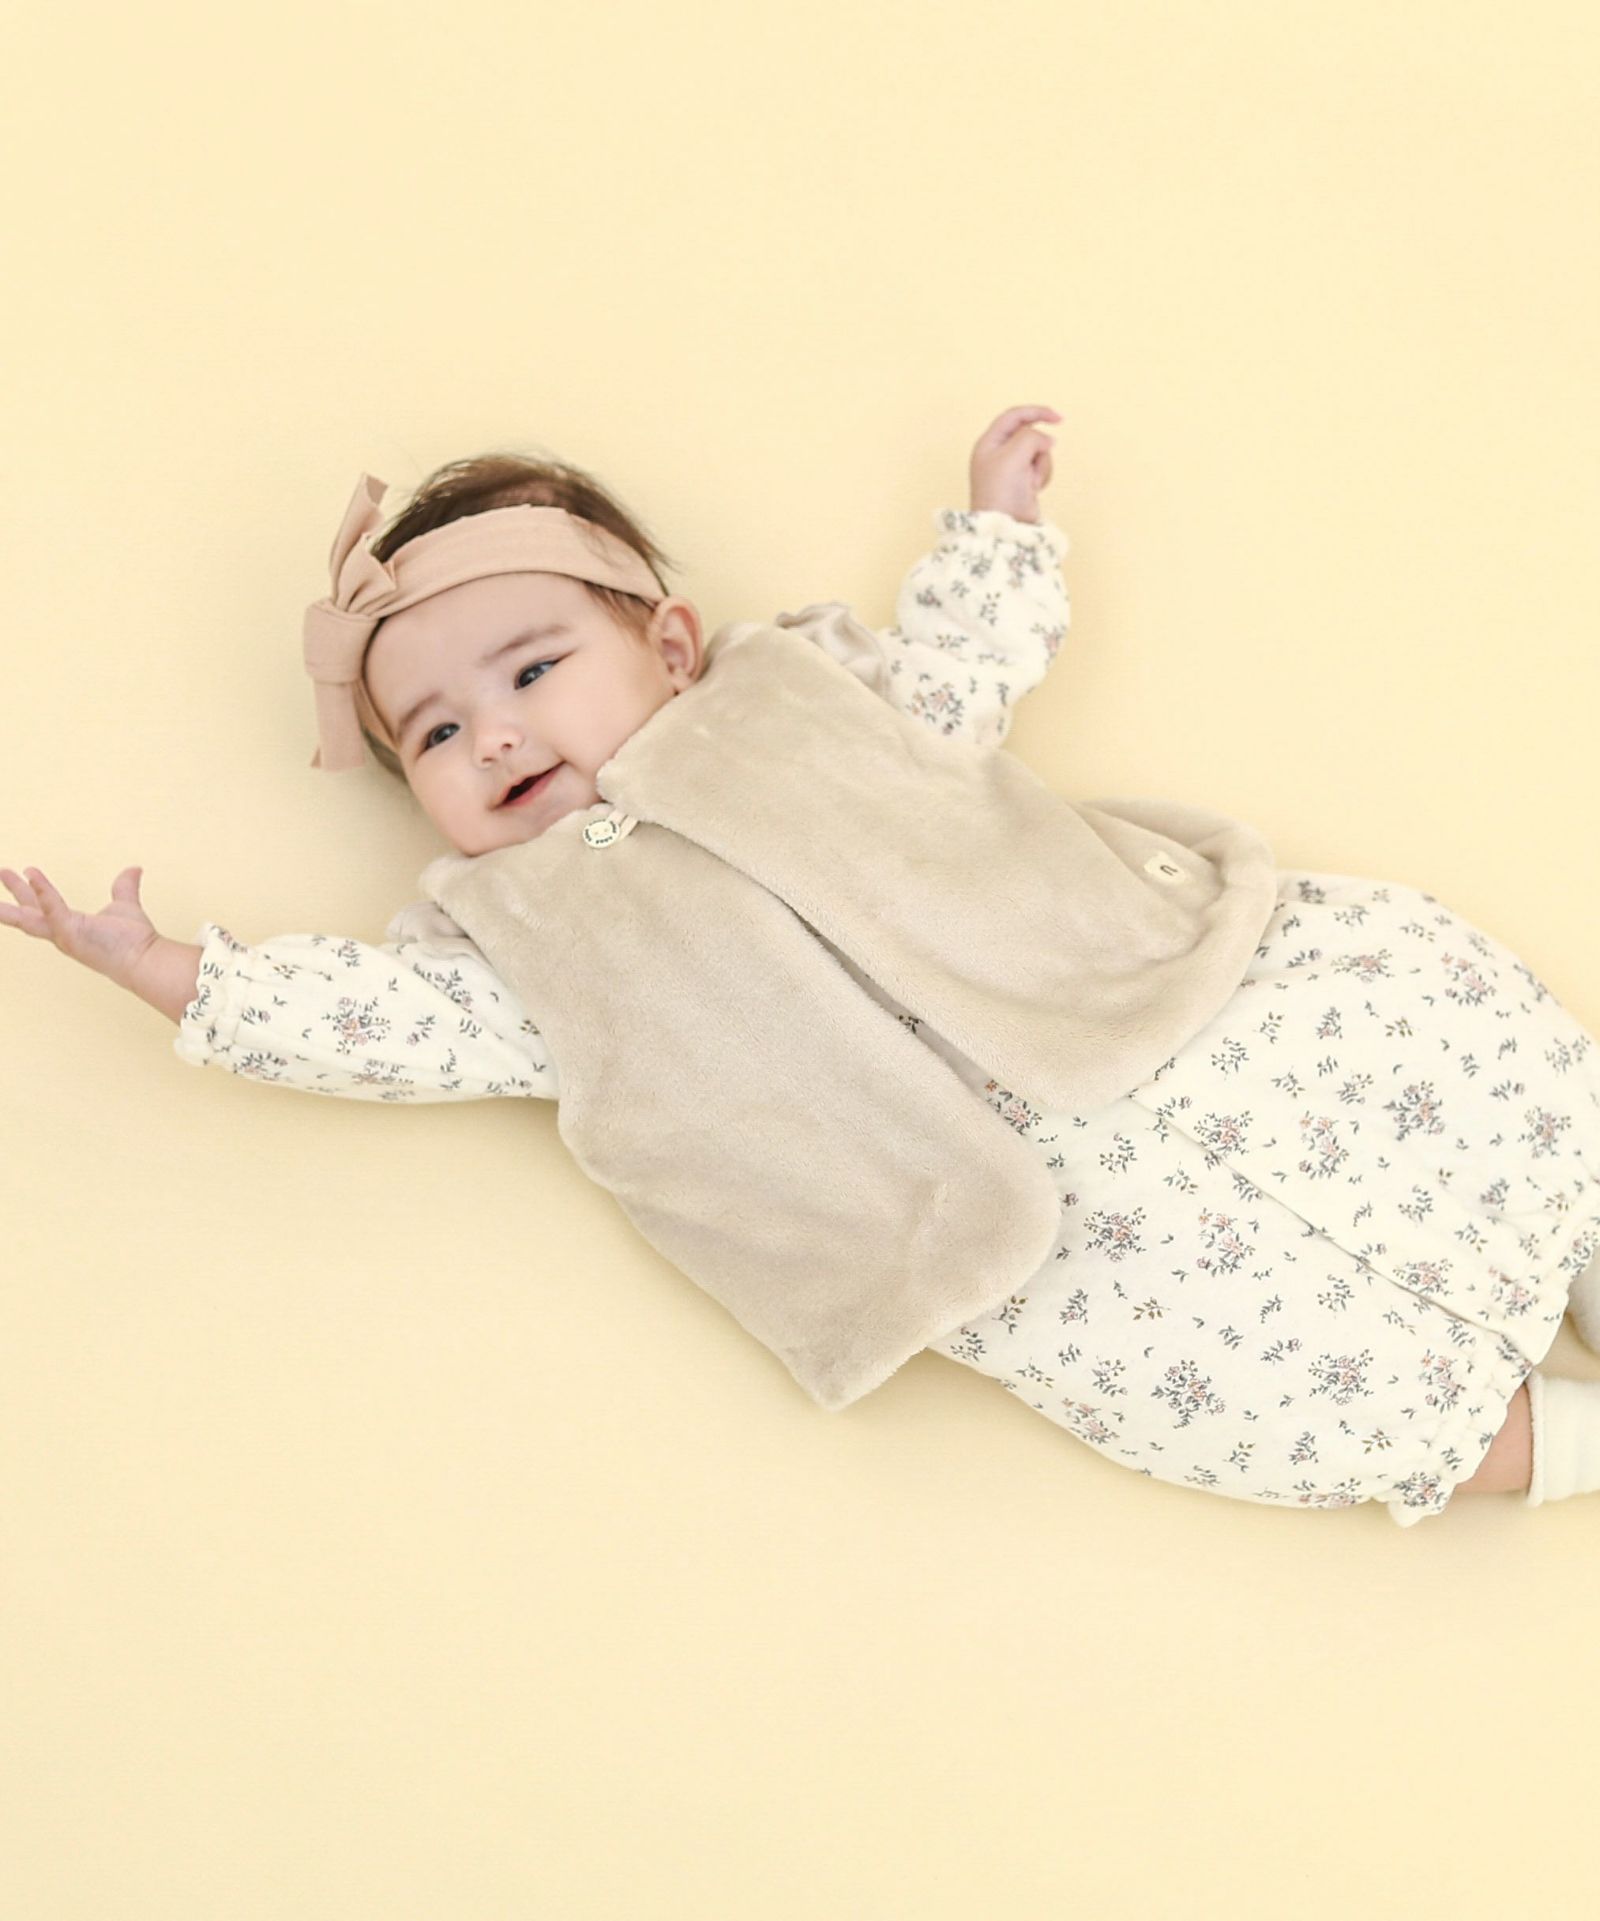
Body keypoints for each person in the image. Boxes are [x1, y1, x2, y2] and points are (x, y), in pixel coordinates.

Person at [7, 404, 1600, 1525]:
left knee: (1443, 1061)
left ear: (671, 645)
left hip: (1161, 1001)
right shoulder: (513, 945)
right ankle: (1557, 1442)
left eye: (533, 669)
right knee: (1270, 1395)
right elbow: (383, 1027)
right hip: (1021, 1228)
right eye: (431, 732)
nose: (490, 732)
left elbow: (961, 675)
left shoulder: (802, 700)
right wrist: (177, 972)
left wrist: (997, 528)